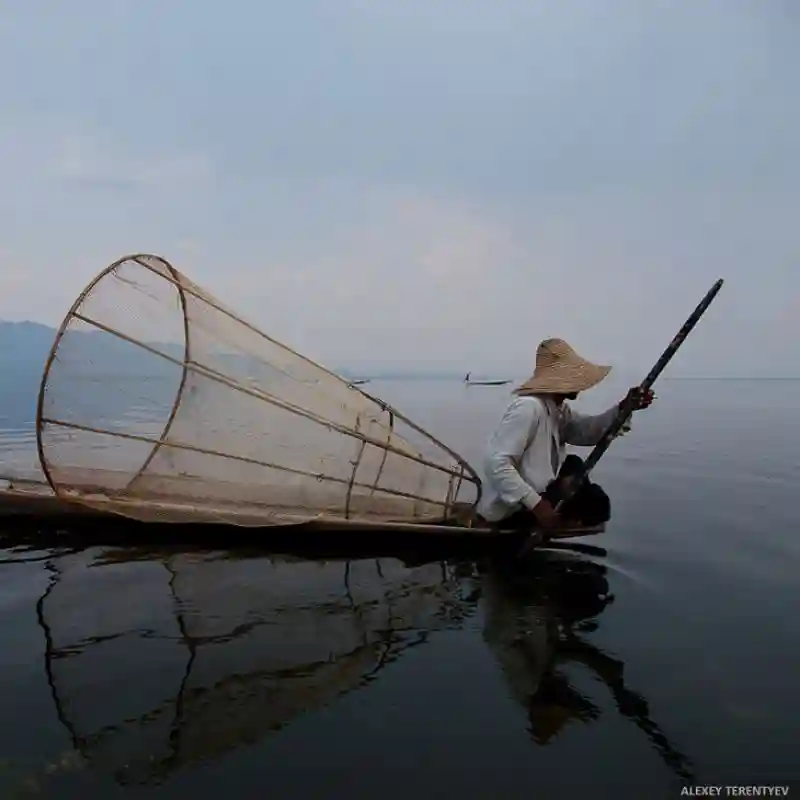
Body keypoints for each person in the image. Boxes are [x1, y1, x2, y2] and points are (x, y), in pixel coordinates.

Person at [475, 338, 654, 530]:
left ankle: (560, 519)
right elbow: (496, 464)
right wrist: (537, 504)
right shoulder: (528, 408)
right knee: (593, 501)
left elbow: (587, 432)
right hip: (513, 510)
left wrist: (624, 408)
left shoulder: (558, 411)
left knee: (578, 471)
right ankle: (548, 523)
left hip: (537, 498)